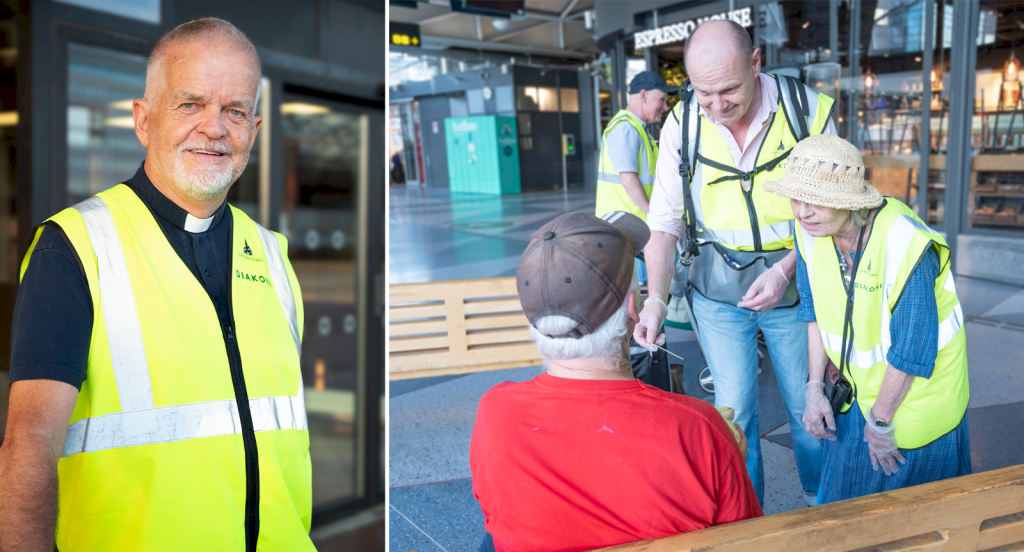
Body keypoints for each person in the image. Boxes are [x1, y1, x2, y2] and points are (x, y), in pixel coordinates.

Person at [0, 19, 314, 551]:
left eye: (234, 110)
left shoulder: (273, 257)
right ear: (143, 120)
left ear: (254, 132)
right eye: (189, 104)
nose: (214, 128)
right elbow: (27, 446)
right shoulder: (74, 248)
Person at [471, 211, 761, 552]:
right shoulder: (697, 429)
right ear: (632, 306)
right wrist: (726, 453)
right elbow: (747, 541)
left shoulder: (494, 411)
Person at [635, 18, 837, 506]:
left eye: (729, 89)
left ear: (756, 61)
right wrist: (656, 301)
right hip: (716, 293)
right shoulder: (681, 125)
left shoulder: (807, 110)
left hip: (797, 287)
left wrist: (786, 268)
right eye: (704, 93)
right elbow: (663, 224)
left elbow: (838, 210)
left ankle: (820, 506)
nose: (717, 105)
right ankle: (746, 517)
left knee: (807, 409)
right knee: (734, 414)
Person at [762, 134, 971, 503]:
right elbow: (813, 313)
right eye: (796, 198)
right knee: (845, 511)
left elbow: (912, 351)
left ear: (847, 201)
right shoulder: (811, 231)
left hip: (914, 405)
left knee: (912, 523)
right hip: (858, 396)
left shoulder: (906, 243)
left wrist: (879, 423)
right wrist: (813, 387)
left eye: (816, 201)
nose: (802, 211)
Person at [596, 71, 675, 391]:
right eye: (661, 98)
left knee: (642, 296)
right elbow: (629, 179)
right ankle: (641, 368)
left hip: (632, 229)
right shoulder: (626, 128)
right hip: (627, 230)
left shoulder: (638, 130)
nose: (665, 106)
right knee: (638, 298)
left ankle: (647, 358)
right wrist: (655, 216)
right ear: (642, 95)